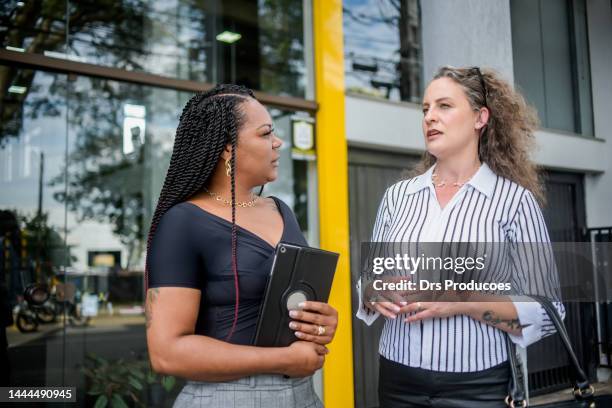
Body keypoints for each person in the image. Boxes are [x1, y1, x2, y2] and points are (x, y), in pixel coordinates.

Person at [357, 66, 564, 407]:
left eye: (444, 106)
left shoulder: (514, 202)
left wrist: (461, 302)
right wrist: (374, 290)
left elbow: (548, 310)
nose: (430, 117)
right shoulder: (397, 197)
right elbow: (368, 279)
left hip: (479, 387)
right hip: (396, 380)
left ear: (480, 117)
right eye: (425, 109)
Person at [145, 84, 337, 408]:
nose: (278, 143)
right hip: (228, 397)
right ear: (227, 148)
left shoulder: (281, 210)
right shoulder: (183, 222)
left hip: (303, 394)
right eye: (265, 134)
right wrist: (281, 360)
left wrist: (320, 322)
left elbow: (286, 308)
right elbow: (166, 354)